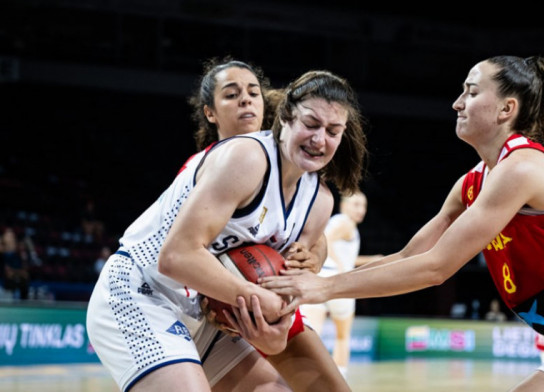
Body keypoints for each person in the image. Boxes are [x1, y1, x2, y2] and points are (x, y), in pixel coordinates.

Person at [262, 55, 544, 391]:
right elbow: (409, 256)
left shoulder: (523, 168)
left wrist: (323, 287)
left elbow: (436, 268)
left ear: (506, 109)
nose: (457, 102)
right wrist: (311, 274)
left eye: (471, 91)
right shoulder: (472, 184)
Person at [86, 68, 367, 392]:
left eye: (333, 130)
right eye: (311, 124)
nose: (320, 139)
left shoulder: (318, 201)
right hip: (145, 291)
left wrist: (277, 320)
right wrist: (254, 298)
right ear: (286, 118)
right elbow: (176, 256)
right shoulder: (244, 157)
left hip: (211, 313)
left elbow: (288, 276)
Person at [186, 57, 353, 391]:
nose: (246, 100)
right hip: (203, 300)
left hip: (260, 296)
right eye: (231, 95)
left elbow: (307, 231)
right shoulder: (207, 166)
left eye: (253, 92)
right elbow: (178, 250)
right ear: (210, 112)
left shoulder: (298, 174)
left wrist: (313, 254)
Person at [300, 191, 381, 378]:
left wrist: (370, 260)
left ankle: (305, 379)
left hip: (318, 280)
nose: (361, 210)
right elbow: (324, 240)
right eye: (356, 204)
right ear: (343, 205)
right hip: (339, 284)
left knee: (312, 336)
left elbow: (343, 254)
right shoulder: (344, 222)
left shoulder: (340, 222)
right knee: (342, 337)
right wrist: (341, 268)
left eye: (364, 205)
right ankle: (340, 379)